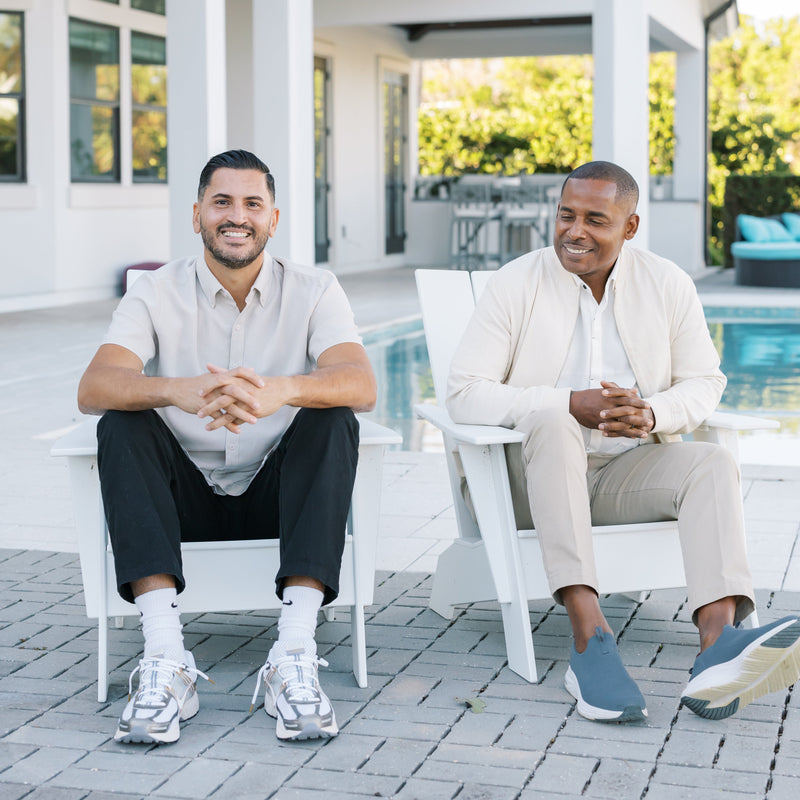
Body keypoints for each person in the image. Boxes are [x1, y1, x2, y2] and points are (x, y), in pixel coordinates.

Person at [447, 161, 800, 723]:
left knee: (709, 463)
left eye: (595, 219)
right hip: (519, 480)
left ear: (630, 227)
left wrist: (653, 413)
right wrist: (568, 403)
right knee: (555, 422)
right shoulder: (516, 283)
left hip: (618, 474)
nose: (574, 231)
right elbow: (464, 393)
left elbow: (705, 381)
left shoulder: (666, 283)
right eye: (565, 215)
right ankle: (590, 641)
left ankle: (718, 648)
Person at [78, 149, 376, 744]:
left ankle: (292, 654)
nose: (236, 217)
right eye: (221, 202)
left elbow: (362, 383)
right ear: (197, 216)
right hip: (181, 504)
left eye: (251, 204)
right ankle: (166, 658)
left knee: (332, 414)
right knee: (121, 419)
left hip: (276, 495)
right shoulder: (156, 291)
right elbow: (93, 386)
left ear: (273, 218)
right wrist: (177, 392)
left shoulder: (315, 289)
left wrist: (282, 392)